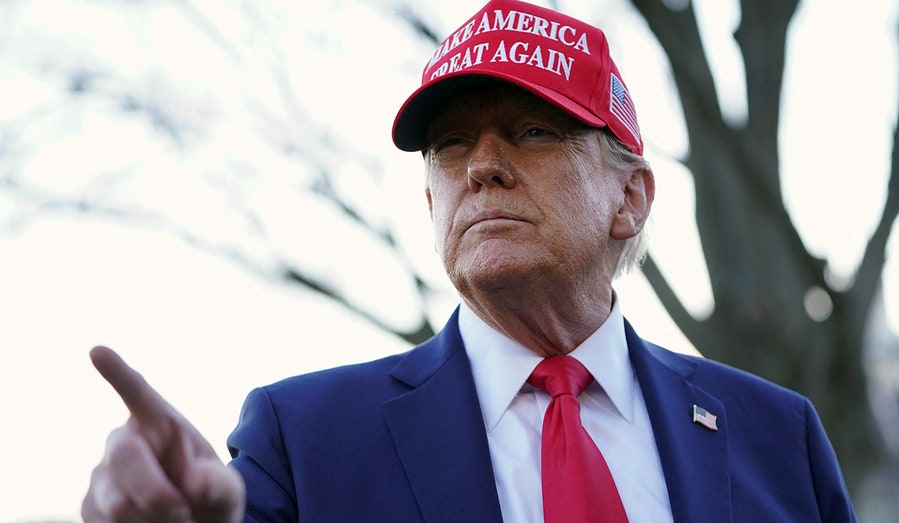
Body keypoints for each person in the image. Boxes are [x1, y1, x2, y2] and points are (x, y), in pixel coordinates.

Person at [82, 0, 858, 521]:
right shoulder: (304, 438)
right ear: (431, 205)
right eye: (450, 144)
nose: (480, 166)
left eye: (530, 132)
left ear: (631, 198)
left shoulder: (774, 433)